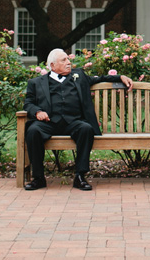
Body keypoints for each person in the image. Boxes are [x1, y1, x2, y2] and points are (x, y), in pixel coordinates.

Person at [23, 48, 133, 191]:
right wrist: (37, 112)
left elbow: (99, 79)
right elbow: (28, 103)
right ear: (52, 66)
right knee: (33, 131)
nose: (69, 62)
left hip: (73, 122)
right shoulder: (36, 83)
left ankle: (80, 176)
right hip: (48, 122)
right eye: (64, 60)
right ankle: (38, 178)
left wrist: (120, 77)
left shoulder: (78, 75)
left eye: (68, 59)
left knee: (86, 129)